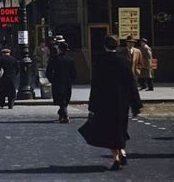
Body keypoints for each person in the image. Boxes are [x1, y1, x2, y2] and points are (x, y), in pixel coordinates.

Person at [83, 35, 143, 171]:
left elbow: (96, 85)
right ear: (117, 46)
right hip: (122, 101)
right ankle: (122, 151)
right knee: (120, 128)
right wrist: (136, 104)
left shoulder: (100, 61)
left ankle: (116, 157)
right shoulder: (124, 61)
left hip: (105, 101)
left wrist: (92, 105)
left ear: (105, 46)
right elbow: (131, 84)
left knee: (109, 130)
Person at [46, 42, 76, 123]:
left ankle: (64, 114)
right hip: (67, 82)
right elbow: (74, 72)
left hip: (57, 81)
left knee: (60, 98)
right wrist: (71, 80)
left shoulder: (54, 59)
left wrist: (51, 80)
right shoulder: (70, 60)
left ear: (59, 49)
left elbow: (48, 72)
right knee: (65, 98)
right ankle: (63, 113)